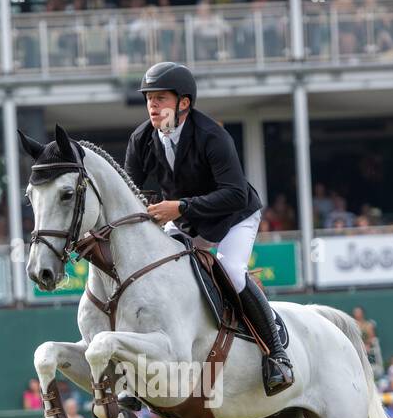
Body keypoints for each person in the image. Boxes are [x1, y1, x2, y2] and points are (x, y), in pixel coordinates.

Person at [124, 61, 293, 394]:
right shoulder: (142, 138)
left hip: (234, 216)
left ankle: (276, 354)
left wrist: (181, 206)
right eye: (149, 99)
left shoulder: (212, 135)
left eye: (161, 98)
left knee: (229, 270)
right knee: (157, 273)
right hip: (187, 220)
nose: (153, 106)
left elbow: (233, 193)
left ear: (184, 103)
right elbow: (131, 189)